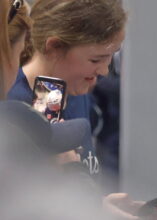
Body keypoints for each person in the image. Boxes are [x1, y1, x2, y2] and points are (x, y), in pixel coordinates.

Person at [7, 0, 127, 175]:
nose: (103, 71)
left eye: (110, 57)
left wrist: (102, 202)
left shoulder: (71, 92)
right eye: (95, 60)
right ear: (54, 47)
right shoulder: (14, 109)